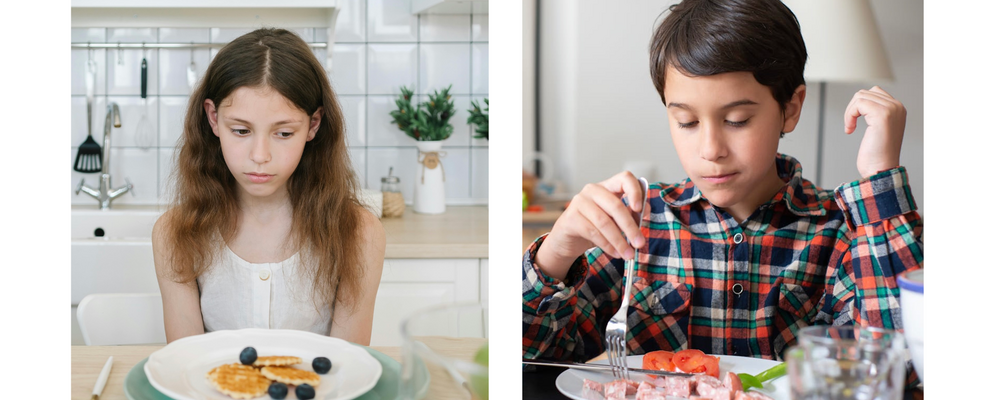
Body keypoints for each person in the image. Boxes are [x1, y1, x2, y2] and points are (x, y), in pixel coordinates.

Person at [521, 0, 921, 386]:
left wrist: (879, 180)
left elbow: (904, 368)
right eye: (687, 121)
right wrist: (556, 253)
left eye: (736, 120)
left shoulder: (847, 231)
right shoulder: (638, 222)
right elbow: (531, 355)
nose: (710, 149)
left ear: (791, 108)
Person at [152, 28, 385, 345]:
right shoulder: (174, 233)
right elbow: (186, 365)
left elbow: (348, 368)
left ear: (313, 125)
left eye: (284, 134)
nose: (260, 156)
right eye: (241, 131)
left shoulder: (360, 233)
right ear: (213, 118)